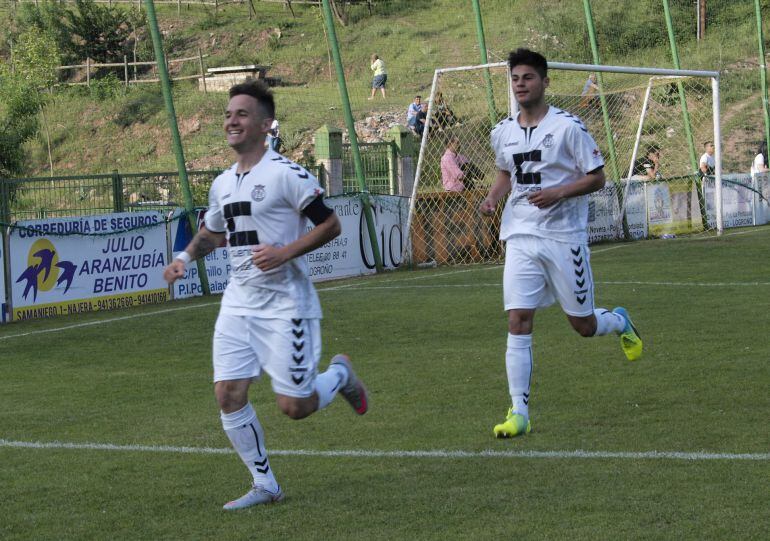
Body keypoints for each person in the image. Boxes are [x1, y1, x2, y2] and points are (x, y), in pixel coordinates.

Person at [163, 80, 368, 510]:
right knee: (227, 393)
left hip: (285, 303)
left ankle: (339, 375)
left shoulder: (286, 174)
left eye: (241, 113)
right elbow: (213, 233)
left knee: (295, 406)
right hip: (238, 302)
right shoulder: (222, 184)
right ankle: (265, 483)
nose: (231, 121)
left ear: (265, 124)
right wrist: (184, 256)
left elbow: (330, 225)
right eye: (227, 114)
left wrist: (283, 252)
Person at [478, 48, 642, 439]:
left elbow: (597, 177)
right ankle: (519, 412)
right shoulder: (502, 131)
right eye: (515, 78)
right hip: (519, 234)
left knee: (582, 325)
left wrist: (559, 192)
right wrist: (492, 198)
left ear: (545, 82)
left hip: (563, 237)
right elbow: (505, 173)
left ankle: (618, 321)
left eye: (528, 77)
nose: (520, 84)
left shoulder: (569, 127)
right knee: (518, 318)